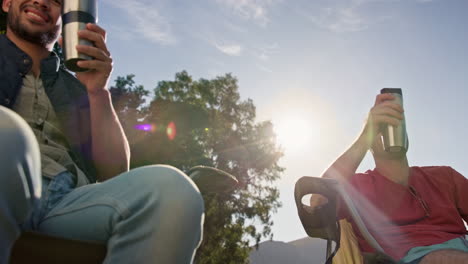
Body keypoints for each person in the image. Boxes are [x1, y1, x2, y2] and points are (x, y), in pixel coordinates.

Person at [0, 0, 204, 263]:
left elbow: (116, 171)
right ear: (6, 3)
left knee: (173, 192)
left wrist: (97, 91)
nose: (41, 1)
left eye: (55, 0)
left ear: (65, 19)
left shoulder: (76, 88)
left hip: (65, 201)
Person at [312, 93, 468, 264]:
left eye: (397, 122)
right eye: (382, 126)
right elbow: (317, 203)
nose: (392, 128)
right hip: (396, 259)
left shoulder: (444, 176)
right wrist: (364, 137)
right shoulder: (355, 188)